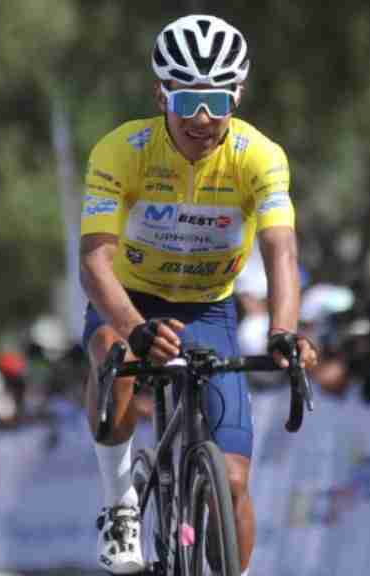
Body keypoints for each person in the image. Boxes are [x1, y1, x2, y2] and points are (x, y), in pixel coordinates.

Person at [79, 14, 318, 574]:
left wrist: (284, 331)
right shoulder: (121, 150)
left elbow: (281, 252)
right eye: (187, 101)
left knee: (231, 481)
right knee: (115, 352)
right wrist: (135, 328)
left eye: (216, 100)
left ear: (237, 96)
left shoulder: (260, 156)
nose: (202, 118)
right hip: (130, 300)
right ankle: (120, 506)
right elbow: (94, 263)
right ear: (161, 95)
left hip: (208, 308)